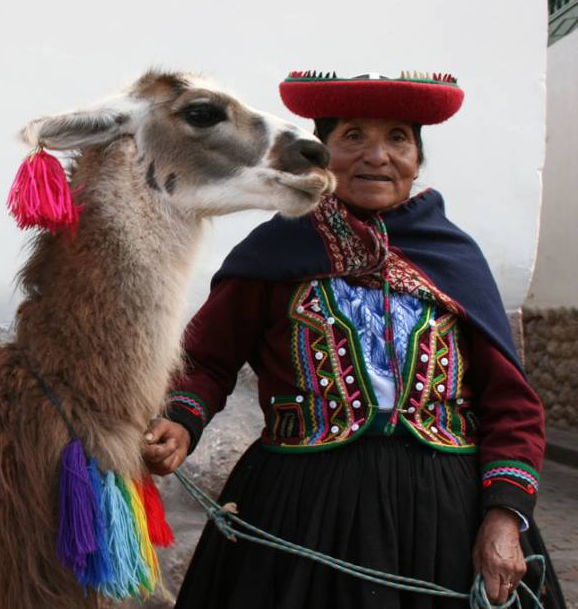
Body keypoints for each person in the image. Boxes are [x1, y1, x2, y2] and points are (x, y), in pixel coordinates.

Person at [143, 71, 566, 608]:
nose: (377, 156)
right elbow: (205, 360)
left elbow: (511, 405)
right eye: (353, 137)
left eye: (397, 138)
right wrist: (182, 421)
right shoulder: (273, 254)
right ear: (321, 153)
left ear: (417, 158)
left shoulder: (455, 260)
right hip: (302, 508)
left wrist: (505, 515)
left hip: (444, 516)